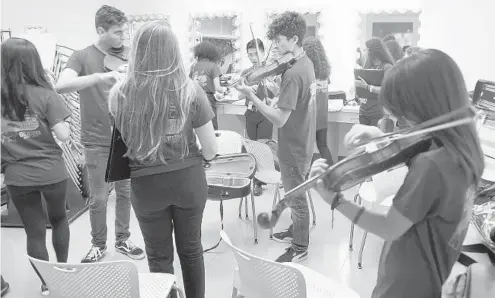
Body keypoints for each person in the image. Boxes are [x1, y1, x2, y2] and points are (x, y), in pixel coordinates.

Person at [310, 49, 484, 298]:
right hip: (431, 278)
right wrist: (382, 137)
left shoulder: (431, 166)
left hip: (403, 284)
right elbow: (423, 146)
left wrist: (336, 200)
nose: (396, 117)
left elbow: (389, 227)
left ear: (424, 105)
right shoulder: (465, 150)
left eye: (402, 112)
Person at [108, 20, 218, 298]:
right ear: (174, 52)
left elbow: (127, 140)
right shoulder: (191, 91)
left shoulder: (119, 94)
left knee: (158, 257)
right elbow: (211, 149)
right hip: (188, 181)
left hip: (146, 187)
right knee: (192, 250)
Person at [55, 5, 144, 263]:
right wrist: (99, 77)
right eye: (117, 33)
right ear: (100, 30)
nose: (123, 38)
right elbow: (61, 85)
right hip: (96, 139)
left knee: (126, 192)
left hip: (127, 136)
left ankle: (123, 239)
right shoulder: (82, 57)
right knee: (99, 198)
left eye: (125, 33)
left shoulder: (128, 57)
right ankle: (98, 244)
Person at [235, 11, 316, 263]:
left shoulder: (292, 75)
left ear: (294, 39)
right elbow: (292, 107)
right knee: (294, 193)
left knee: (295, 197)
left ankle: (300, 246)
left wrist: (253, 97)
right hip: (302, 141)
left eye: (279, 40)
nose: (275, 47)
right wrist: (272, 97)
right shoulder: (306, 64)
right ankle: (295, 230)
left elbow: (280, 119)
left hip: (293, 146)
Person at [1, 37, 72, 296]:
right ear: (34, 63)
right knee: (59, 218)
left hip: (17, 176)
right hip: (51, 171)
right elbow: (63, 135)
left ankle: (45, 283)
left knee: (34, 230)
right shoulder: (45, 94)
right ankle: (61, 271)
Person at [239, 38, 280, 195]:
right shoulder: (246, 73)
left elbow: (279, 92)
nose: (253, 57)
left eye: (256, 54)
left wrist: (271, 86)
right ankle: (255, 177)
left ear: (263, 52)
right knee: (251, 148)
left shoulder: (271, 72)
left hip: (265, 115)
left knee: (263, 147)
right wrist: (247, 89)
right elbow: (238, 94)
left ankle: (260, 181)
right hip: (250, 113)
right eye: (250, 55)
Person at [303, 37, 333, 164]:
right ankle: (331, 173)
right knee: (322, 145)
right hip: (322, 116)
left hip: (310, 115)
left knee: (306, 148)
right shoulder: (325, 71)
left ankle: (306, 177)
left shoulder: (307, 71)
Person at [356, 38, 395, 126]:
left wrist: (367, 87)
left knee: (375, 138)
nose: (364, 53)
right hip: (363, 110)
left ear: (373, 51)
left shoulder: (387, 67)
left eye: (366, 50)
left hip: (378, 112)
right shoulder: (367, 66)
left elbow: (386, 90)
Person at [189, 40, 227, 130]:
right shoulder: (213, 66)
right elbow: (218, 87)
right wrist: (225, 90)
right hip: (208, 99)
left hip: (193, 98)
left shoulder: (194, 66)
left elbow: (189, 83)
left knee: (197, 126)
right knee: (212, 127)